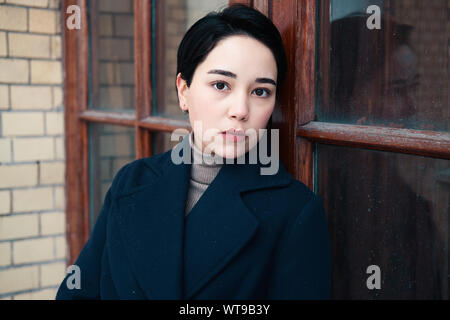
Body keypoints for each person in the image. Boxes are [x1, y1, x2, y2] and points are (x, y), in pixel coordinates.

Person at [56, 4, 331, 300]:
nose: (240, 110)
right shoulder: (131, 181)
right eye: (221, 84)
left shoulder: (295, 212)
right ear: (183, 91)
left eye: (260, 91)